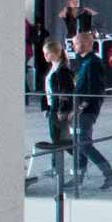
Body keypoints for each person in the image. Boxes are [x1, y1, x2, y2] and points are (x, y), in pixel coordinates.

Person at [68, 31, 112, 190]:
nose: (73, 46)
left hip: (87, 111)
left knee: (84, 143)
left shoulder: (93, 63)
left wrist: (80, 108)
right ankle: (79, 176)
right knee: (78, 143)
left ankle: (109, 173)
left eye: (76, 43)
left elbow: (95, 90)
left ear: (87, 44)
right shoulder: (85, 61)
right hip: (81, 109)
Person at [39, 38, 72, 177]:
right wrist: (45, 107)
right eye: (44, 54)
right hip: (52, 107)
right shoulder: (53, 68)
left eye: (48, 54)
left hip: (58, 109)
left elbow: (65, 92)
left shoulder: (62, 70)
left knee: (60, 140)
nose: (45, 56)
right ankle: (55, 167)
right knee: (57, 139)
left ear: (56, 53)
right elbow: (47, 90)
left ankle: (80, 159)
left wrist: (62, 110)